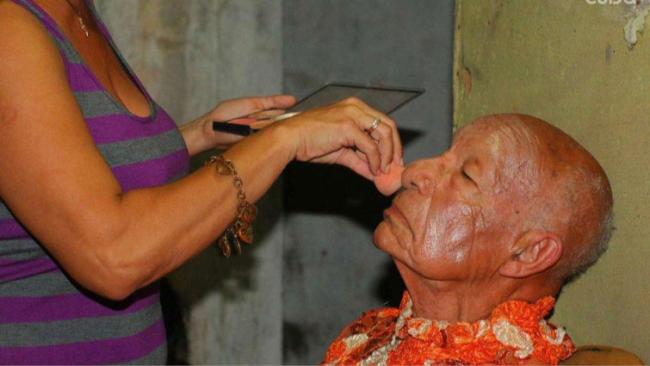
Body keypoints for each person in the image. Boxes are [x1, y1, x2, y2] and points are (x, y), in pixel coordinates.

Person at [0, 0, 403, 364]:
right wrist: (284, 141)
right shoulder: (10, 31)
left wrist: (202, 134)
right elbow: (113, 257)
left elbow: (66, 165)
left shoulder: (75, 11)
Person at [323, 114, 614, 365]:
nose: (413, 172)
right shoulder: (371, 334)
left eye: (466, 176)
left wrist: (279, 142)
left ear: (527, 252)